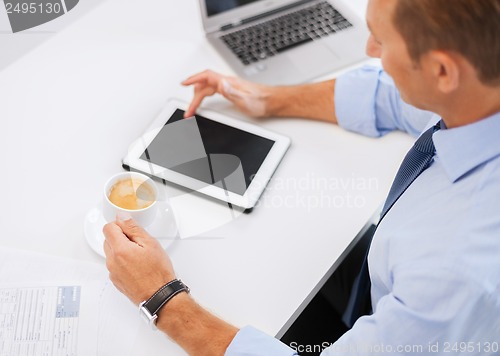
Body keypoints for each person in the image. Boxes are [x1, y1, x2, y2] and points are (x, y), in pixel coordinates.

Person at [103, 0, 500, 354]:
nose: (369, 51)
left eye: (381, 40)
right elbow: (389, 96)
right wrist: (268, 99)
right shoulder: (479, 93)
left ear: (443, 70)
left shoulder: (457, 273)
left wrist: (162, 300)